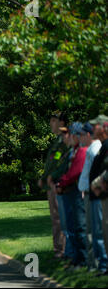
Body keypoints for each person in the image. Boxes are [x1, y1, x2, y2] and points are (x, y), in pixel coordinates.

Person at [55, 122, 88, 270]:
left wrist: (61, 182)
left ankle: (81, 260)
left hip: (74, 190)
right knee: (72, 225)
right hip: (68, 190)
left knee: (79, 227)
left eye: (70, 134)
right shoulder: (71, 150)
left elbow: (74, 171)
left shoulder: (80, 150)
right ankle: (76, 258)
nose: (67, 137)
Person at [77, 122, 106, 273]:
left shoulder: (94, 149)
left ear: (88, 135)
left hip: (93, 193)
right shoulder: (91, 149)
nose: (79, 137)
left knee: (95, 230)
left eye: (82, 134)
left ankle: (97, 264)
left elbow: (95, 172)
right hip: (88, 192)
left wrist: (90, 188)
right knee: (91, 229)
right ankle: (93, 263)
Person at [39, 112, 68, 259]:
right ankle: (58, 249)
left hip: (58, 184)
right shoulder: (57, 141)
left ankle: (62, 250)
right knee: (55, 218)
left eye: (54, 120)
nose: (51, 123)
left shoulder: (64, 141)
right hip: (51, 183)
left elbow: (61, 163)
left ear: (62, 123)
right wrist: (44, 178)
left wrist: (51, 177)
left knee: (59, 218)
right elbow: (52, 162)